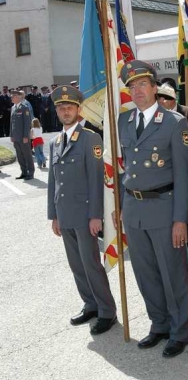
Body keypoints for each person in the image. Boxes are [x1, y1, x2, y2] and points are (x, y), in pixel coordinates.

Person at [118, 60, 188, 358]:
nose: (137, 91)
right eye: (132, 86)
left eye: (142, 85)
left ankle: (180, 331)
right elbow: (125, 169)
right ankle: (159, 323)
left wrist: (180, 220)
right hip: (134, 209)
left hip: (164, 209)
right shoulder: (124, 121)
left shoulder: (174, 122)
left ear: (153, 87)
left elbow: (185, 176)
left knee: (172, 273)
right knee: (145, 273)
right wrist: (121, 207)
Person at [48, 85, 117, 335]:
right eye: (61, 108)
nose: (65, 111)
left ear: (78, 109)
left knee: (91, 264)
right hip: (65, 215)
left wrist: (95, 215)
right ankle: (90, 304)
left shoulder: (90, 139)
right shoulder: (56, 142)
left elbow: (96, 180)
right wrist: (53, 215)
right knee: (76, 264)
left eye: (70, 107)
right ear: (57, 111)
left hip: (86, 215)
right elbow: (53, 183)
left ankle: (107, 311)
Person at [158, 82, 188, 266]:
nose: (163, 101)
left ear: (173, 99)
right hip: (169, 172)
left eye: (167, 98)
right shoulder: (160, 118)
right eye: (160, 98)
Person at [10, 90, 35, 180]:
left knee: (27, 155)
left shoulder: (24, 108)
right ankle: (24, 172)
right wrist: (11, 135)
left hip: (23, 137)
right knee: (20, 156)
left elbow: (27, 123)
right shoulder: (13, 108)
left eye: (13, 96)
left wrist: (25, 136)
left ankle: (30, 173)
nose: (11, 98)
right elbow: (11, 123)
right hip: (16, 137)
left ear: (18, 97)